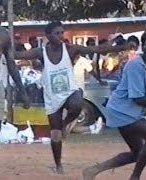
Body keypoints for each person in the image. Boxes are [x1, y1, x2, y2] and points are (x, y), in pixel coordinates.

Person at [15, 21, 132, 174]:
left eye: (62, 32)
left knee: (77, 103)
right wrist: (1, 49)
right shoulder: (41, 52)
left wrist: (121, 47)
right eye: (57, 33)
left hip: (70, 90)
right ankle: (58, 164)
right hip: (52, 97)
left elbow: (96, 48)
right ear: (48, 36)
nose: (61, 36)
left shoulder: (70, 49)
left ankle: (65, 124)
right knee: (55, 135)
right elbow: (17, 55)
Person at [82, 30, 146, 180]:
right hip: (120, 110)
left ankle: (93, 170)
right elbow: (138, 99)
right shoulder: (135, 64)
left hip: (132, 111)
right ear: (143, 46)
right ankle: (135, 177)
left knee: (137, 153)